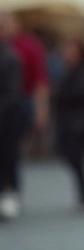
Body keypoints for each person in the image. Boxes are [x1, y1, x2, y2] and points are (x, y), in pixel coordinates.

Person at [0, 12, 49, 219]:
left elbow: (40, 80)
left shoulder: (27, 46)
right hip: (9, 102)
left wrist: (40, 109)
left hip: (21, 103)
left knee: (11, 152)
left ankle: (12, 193)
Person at [52, 37, 84, 211]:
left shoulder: (83, 72)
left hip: (78, 123)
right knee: (71, 158)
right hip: (68, 122)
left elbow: (83, 96)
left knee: (77, 159)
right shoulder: (67, 71)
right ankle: (83, 196)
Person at [0, 23, 24, 220]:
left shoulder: (9, 57)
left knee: (9, 157)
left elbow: (13, 92)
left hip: (7, 119)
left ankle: (11, 194)